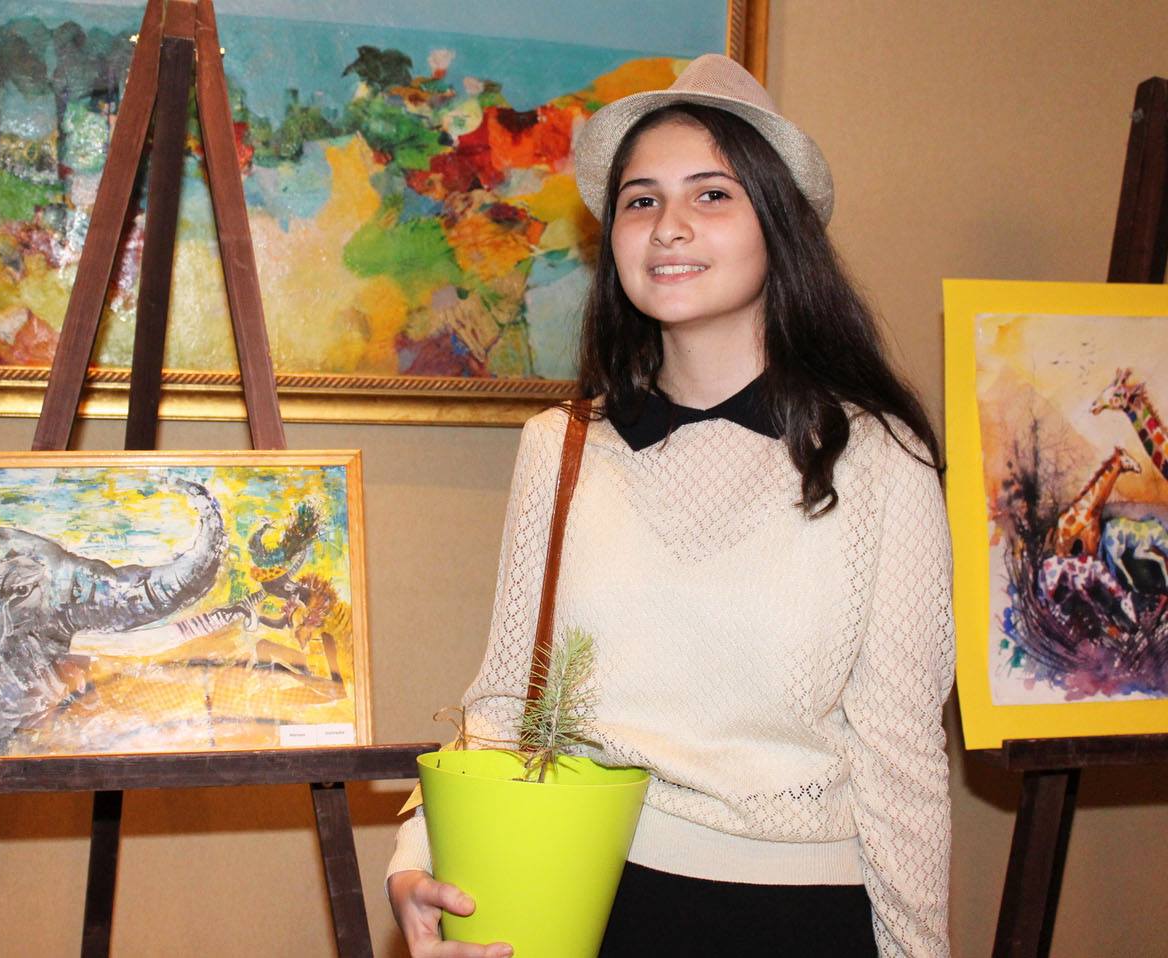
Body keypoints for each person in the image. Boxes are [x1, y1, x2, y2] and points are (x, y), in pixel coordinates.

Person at [387, 53, 954, 958]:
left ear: (779, 225)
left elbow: (903, 757)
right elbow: (503, 701)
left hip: (799, 919)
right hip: (573, 896)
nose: (668, 227)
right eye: (641, 200)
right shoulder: (562, 447)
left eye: (712, 195)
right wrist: (419, 859)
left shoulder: (882, 459)